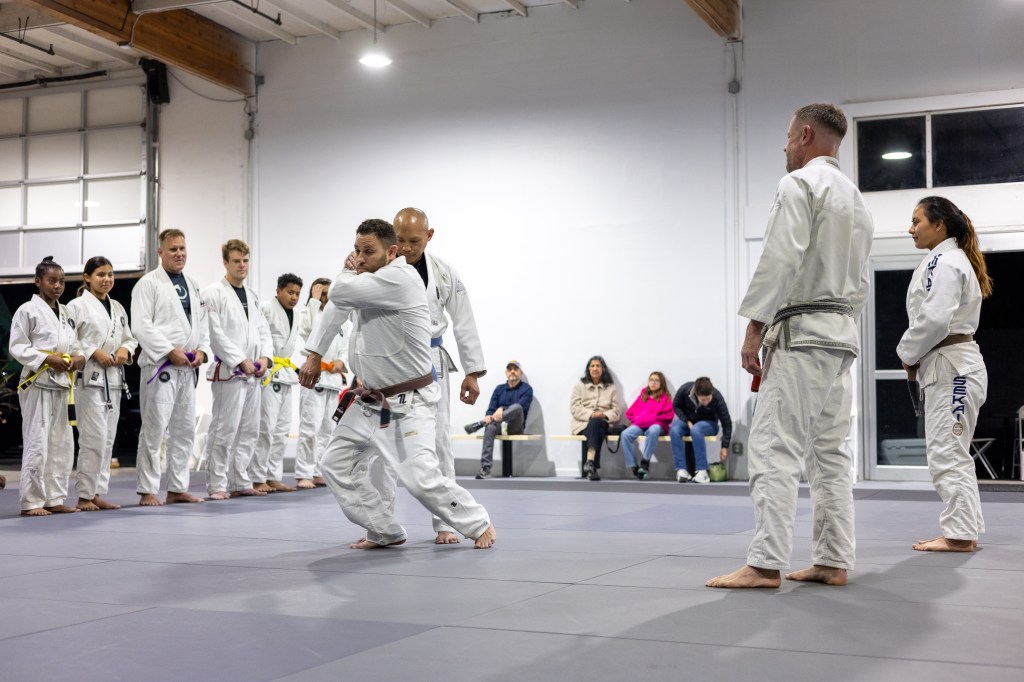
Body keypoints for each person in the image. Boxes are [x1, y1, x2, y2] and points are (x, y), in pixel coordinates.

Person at [707, 103, 873, 589]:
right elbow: (861, 283)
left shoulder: (799, 184)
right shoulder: (856, 200)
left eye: (786, 137)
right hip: (841, 336)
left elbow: (780, 259)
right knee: (831, 455)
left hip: (802, 335)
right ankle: (833, 560)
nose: (783, 147)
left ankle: (764, 564)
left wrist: (754, 328)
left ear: (804, 135)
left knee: (773, 447)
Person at [298, 218, 496, 549]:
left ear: (390, 252)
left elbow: (339, 292)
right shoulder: (367, 277)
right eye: (356, 251)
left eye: (367, 252)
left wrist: (472, 371)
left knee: (420, 476)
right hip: (370, 397)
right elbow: (337, 307)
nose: (359, 258)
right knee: (335, 464)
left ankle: (476, 522)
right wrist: (315, 354)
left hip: (410, 398)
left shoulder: (400, 277)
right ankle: (383, 529)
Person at [382, 207, 487, 544]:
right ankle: (381, 525)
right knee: (382, 443)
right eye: (400, 240)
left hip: (431, 360)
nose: (406, 247)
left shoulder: (444, 272)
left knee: (440, 440)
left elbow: (464, 320)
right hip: (390, 361)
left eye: (414, 241)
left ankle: (445, 522)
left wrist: (472, 372)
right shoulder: (381, 268)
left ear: (429, 236)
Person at [898, 196, 991, 553]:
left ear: (938, 225)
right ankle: (963, 529)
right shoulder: (943, 259)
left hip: (954, 368)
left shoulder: (948, 261)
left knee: (948, 451)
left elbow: (936, 318)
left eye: (916, 221)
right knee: (950, 450)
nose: (911, 228)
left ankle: (960, 535)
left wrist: (907, 352)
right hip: (949, 365)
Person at [132, 229, 210, 506]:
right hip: (161, 366)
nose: (179, 254)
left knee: (184, 429)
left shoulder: (193, 284)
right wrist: (169, 350)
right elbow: (141, 325)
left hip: (187, 368)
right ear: (160, 252)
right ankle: (147, 489)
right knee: (155, 429)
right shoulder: (148, 284)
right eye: (173, 249)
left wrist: (202, 351)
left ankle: (177, 487)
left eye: (182, 249)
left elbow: (202, 325)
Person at [9, 257, 86, 516]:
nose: (57, 286)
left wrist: (78, 359)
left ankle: (54, 498)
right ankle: (31, 501)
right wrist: (47, 359)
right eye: (52, 281)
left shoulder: (66, 314)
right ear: (38, 281)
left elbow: (76, 346)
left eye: (62, 281)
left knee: (62, 444)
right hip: (38, 382)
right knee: (37, 442)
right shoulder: (27, 310)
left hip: (62, 384)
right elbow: (17, 346)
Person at [201, 239, 273, 500]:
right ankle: (217, 483)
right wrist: (240, 359)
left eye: (245, 260)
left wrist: (264, 357)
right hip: (229, 371)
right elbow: (214, 333)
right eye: (236, 261)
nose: (242, 265)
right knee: (225, 428)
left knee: (250, 429)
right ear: (225, 263)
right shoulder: (213, 293)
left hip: (253, 372)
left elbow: (263, 331)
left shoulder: (252, 295)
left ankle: (240, 479)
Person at [66, 256, 138, 511]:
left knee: (107, 440)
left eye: (110, 274)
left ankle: (97, 493)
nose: (107, 279)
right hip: (89, 380)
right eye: (101, 275)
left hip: (114, 380)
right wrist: (93, 351)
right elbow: (69, 340)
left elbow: (129, 338)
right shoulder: (75, 306)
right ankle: (84, 495)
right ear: (87, 278)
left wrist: (125, 350)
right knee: (93, 439)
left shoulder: (117, 307)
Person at [295, 278, 350, 489]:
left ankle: (319, 471)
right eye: (321, 293)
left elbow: (347, 345)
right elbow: (309, 331)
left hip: (333, 380)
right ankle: (304, 473)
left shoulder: (342, 319)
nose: (325, 297)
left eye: (327, 293)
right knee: (310, 428)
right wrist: (314, 301)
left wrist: (342, 361)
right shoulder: (309, 313)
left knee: (328, 429)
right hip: (314, 378)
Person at [250, 273, 303, 493]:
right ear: (278, 291)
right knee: (266, 427)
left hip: (286, 374)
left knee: (282, 429)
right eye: (290, 292)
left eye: (297, 293)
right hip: (269, 373)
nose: (294, 297)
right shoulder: (265, 308)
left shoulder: (296, 314)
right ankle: (257, 477)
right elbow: (259, 337)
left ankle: (273, 476)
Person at [466, 360, 534, 479]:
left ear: (521, 373)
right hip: (498, 425)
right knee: (490, 428)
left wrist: (502, 409)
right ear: (506, 373)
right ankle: (485, 469)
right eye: (509, 369)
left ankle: (481, 423)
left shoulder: (527, 389)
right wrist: (490, 416)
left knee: (517, 407)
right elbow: (491, 409)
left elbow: (521, 409)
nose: (512, 371)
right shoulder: (499, 389)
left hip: (515, 426)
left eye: (515, 369)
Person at [669, 376, 732, 483]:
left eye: (708, 399)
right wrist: (686, 420)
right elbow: (676, 405)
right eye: (703, 400)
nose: (706, 402)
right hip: (688, 421)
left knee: (696, 430)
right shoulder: (684, 390)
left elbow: (726, 422)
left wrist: (724, 447)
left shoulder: (717, 396)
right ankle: (681, 470)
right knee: (674, 430)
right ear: (696, 394)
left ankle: (702, 471)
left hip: (709, 424)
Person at [570, 355, 622, 481]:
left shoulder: (611, 388)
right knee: (595, 425)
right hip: (582, 424)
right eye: (592, 366)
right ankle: (592, 467)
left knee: (596, 424)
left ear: (603, 369)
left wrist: (604, 415)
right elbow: (574, 408)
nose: (595, 368)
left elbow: (616, 410)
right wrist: (591, 414)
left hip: (603, 422)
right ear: (588, 369)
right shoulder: (580, 386)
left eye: (598, 366)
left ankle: (590, 462)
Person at [620, 371, 674, 480]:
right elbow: (630, 413)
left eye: (656, 380)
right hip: (641, 425)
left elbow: (669, 416)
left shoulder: (665, 398)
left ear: (661, 383)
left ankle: (645, 462)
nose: (653, 382)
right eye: (651, 380)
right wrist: (638, 419)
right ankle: (633, 466)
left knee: (653, 430)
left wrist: (652, 419)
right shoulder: (643, 396)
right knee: (625, 434)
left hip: (658, 425)